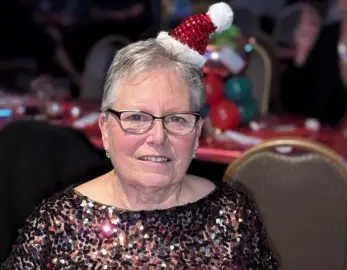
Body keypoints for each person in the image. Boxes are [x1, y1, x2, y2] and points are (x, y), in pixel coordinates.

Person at [1, 3, 278, 269]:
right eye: (136, 117)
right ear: (106, 131)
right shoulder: (55, 226)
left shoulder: (232, 216)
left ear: (195, 136)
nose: (158, 136)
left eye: (177, 119)